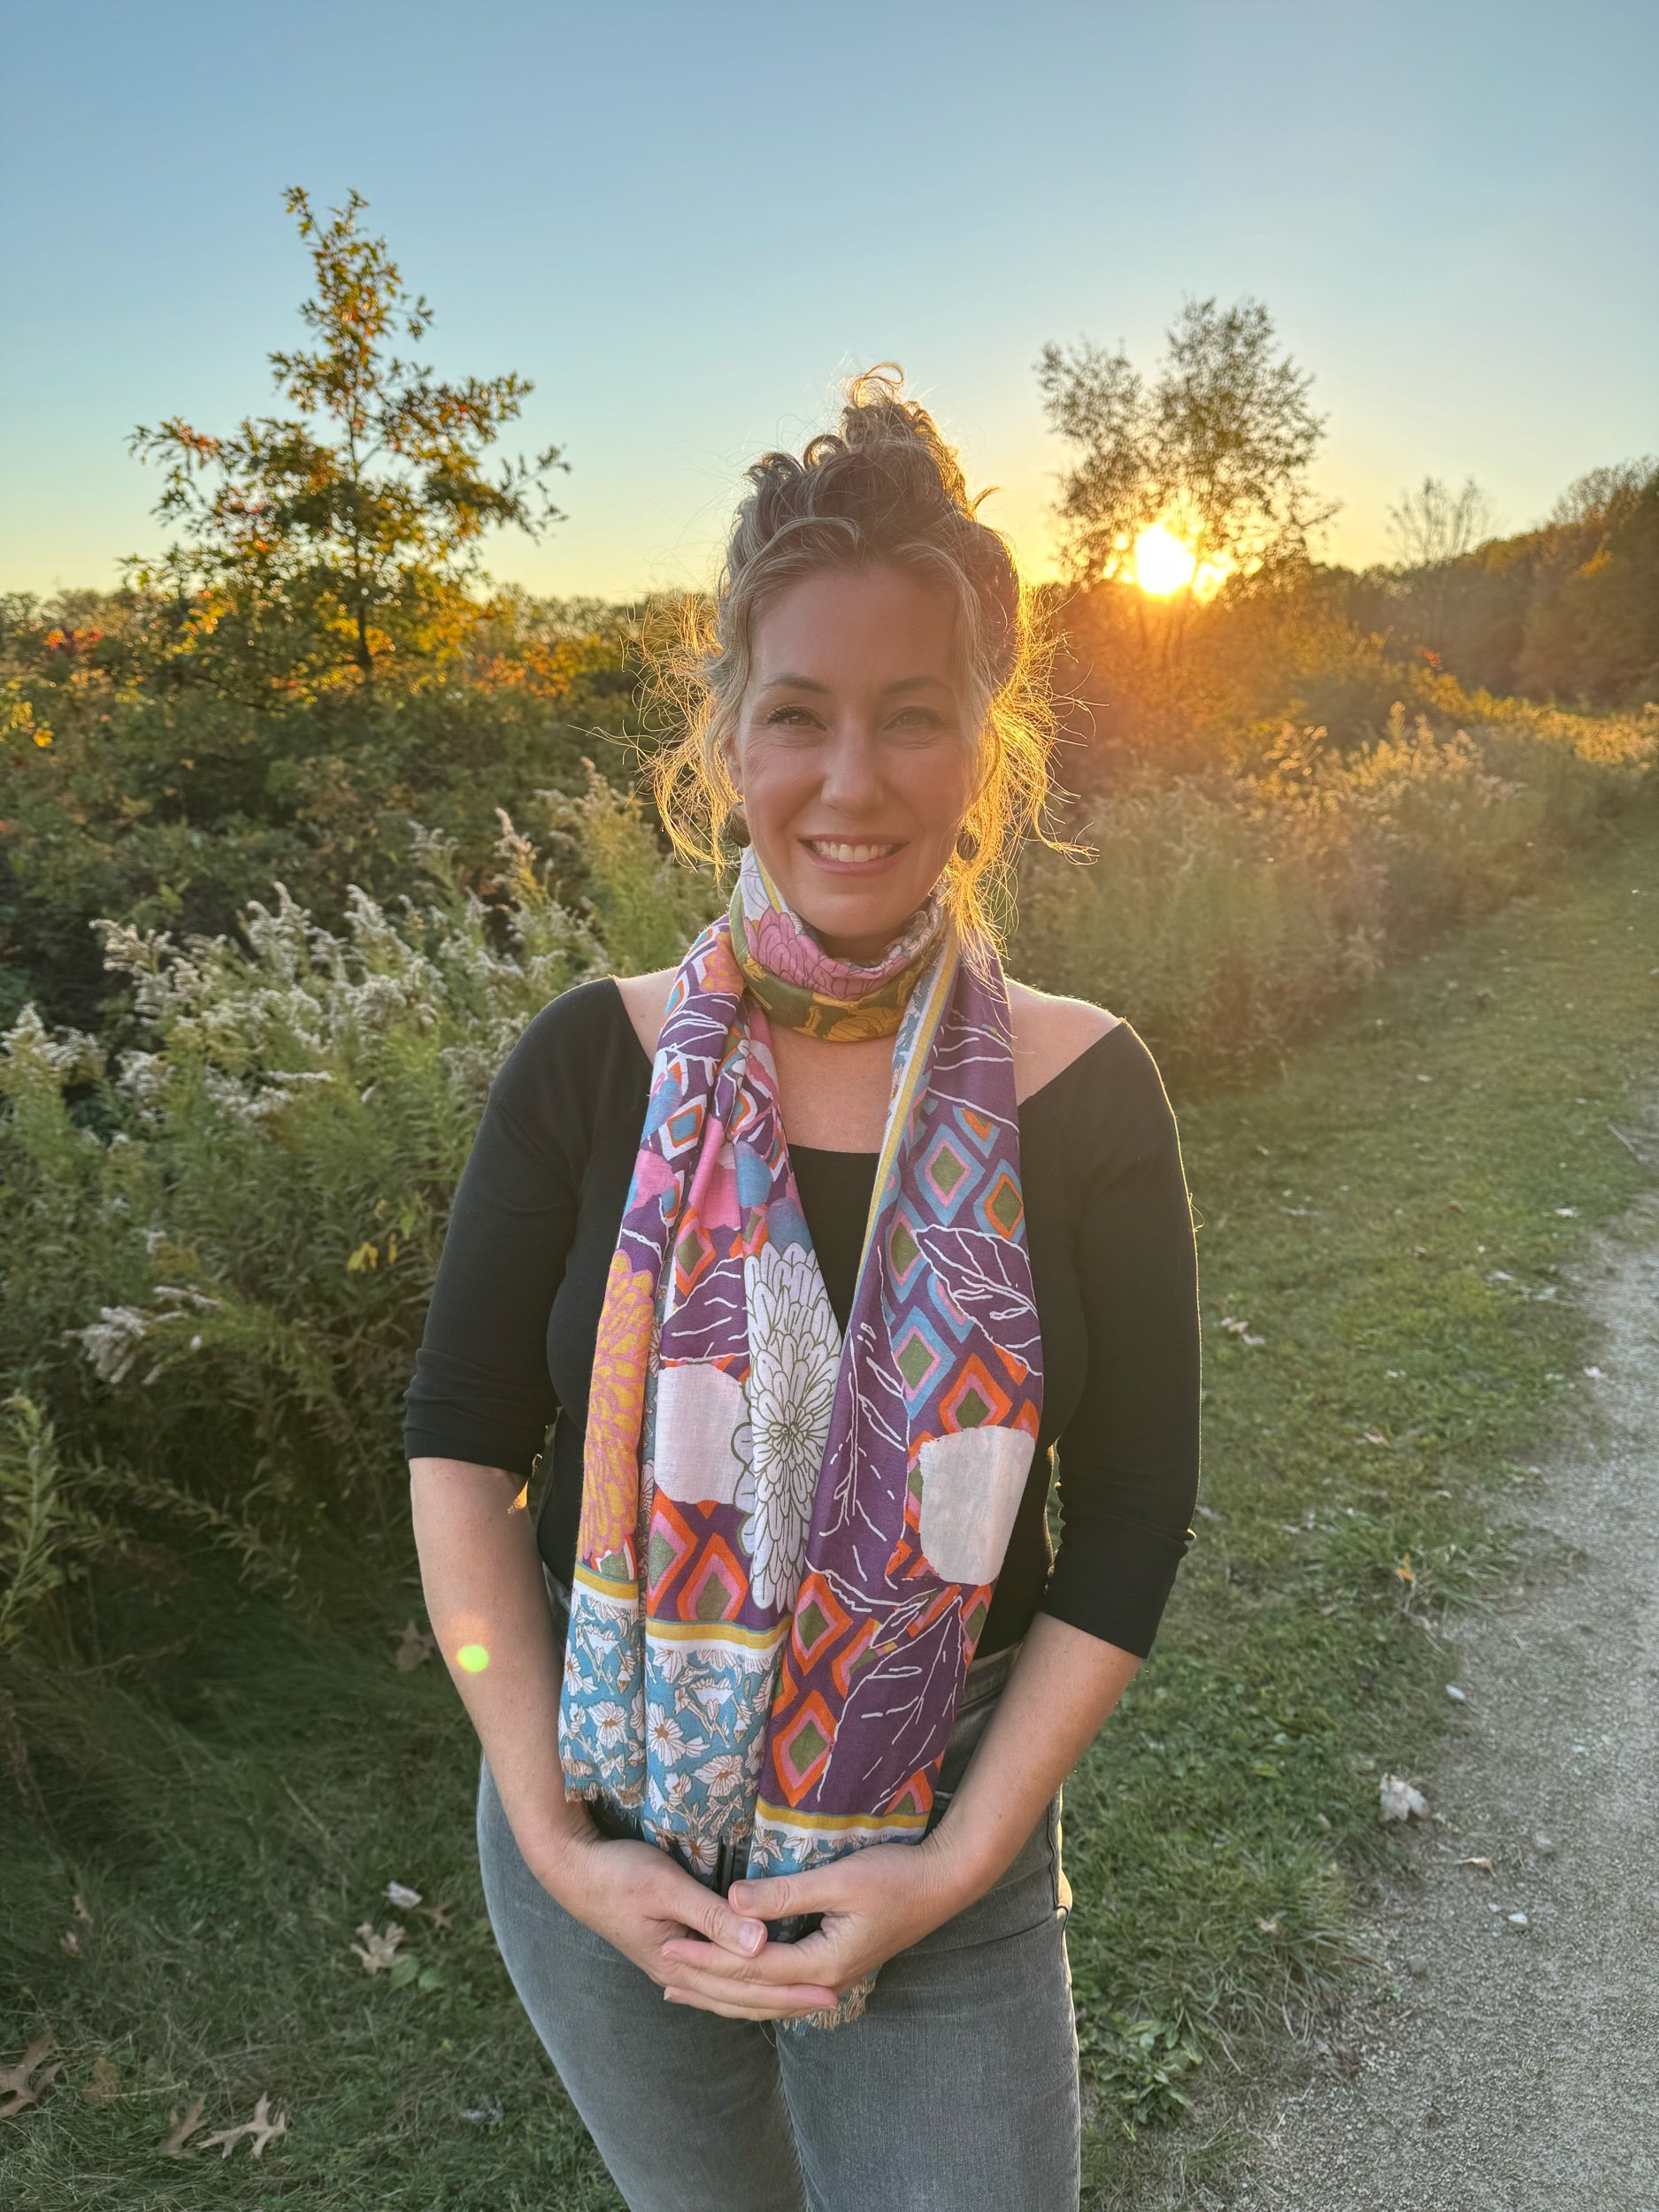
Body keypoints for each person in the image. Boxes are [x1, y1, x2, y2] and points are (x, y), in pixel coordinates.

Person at [403, 365, 1202, 2212]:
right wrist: (549, 1826)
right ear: (726, 743)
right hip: (608, 1846)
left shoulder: (1086, 1091)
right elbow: (459, 1444)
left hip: (946, 1839)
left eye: (911, 717)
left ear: (984, 742)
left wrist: (950, 1865)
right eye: (797, 715)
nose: (851, 782)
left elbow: (1134, 1518)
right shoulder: (586, 1063)